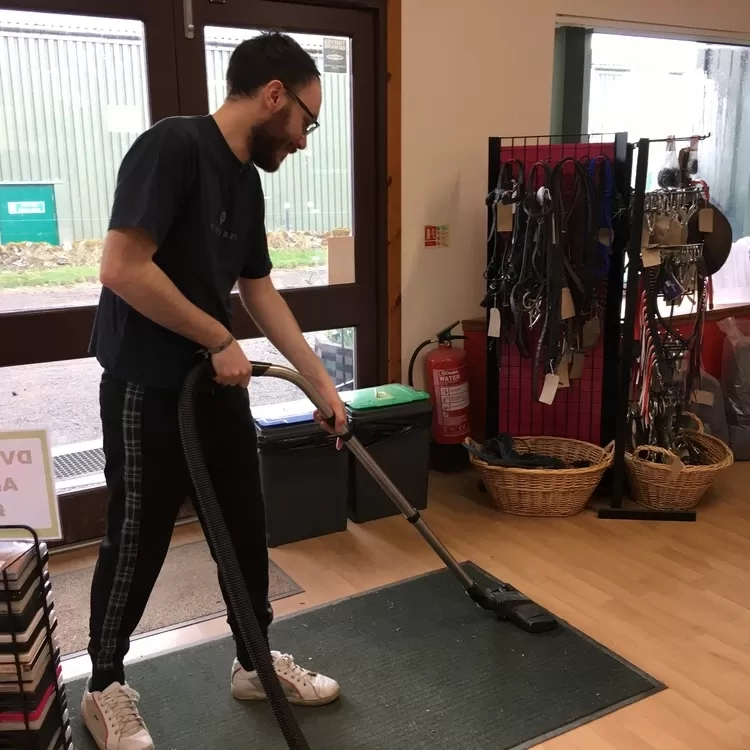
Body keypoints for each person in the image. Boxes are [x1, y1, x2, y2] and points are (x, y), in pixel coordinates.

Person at [81, 32, 346, 750]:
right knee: (137, 536)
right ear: (273, 96)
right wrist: (216, 338)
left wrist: (322, 383)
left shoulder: (245, 181)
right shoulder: (172, 147)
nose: (303, 139)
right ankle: (105, 685)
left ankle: (253, 661)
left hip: (213, 382)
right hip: (146, 381)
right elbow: (122, 268)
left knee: (242, 524)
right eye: (306, 120)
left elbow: (257, 288)